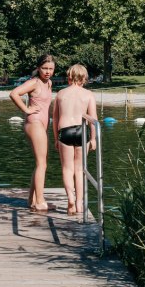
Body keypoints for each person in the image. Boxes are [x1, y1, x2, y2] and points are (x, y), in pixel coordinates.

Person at [10, 54, 56, 212]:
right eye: (44, 68)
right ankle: (40, 202)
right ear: (38, 68)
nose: (48, 71)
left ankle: (32, 200)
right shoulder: (34, 82)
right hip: (34, 123)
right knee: (42, 164)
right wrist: (26, 109)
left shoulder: (49, 83)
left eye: (50, 68)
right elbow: (14, 93)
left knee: (41, 163)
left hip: (42, 124)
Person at [53, 64, 97, 216]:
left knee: (67, 168)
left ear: (69, 77)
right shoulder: (88, 94)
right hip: (81, 132)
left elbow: (55, 118)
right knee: (79, 170)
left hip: (65, 131)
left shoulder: (61, 93)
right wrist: (93, 138)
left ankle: (70, 199)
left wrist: (55, 139)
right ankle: (79, 204)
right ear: (84, 78)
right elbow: (93, 119)